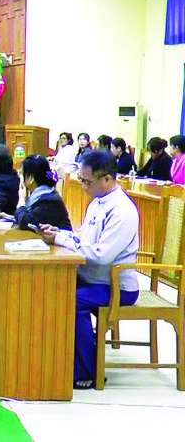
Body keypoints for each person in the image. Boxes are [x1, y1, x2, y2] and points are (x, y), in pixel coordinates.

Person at [39, 150, 139, 389]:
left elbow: (101, 255)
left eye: (87, 181)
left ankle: (89, 370)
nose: (83, 186)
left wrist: (61, 241)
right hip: (93, 279)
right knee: (51, 289)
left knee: (73, 301)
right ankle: (62, 359)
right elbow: (83, 239)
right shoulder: (97, 203)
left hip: (115, 287)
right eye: (81, 180)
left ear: (107, 179)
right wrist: (60, 234)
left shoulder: (122, 211)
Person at [0, 155, 72, 231]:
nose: (19, 176)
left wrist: (21, 200)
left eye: (21, 173)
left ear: (31, 178)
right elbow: (33, 218)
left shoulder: (49, 200)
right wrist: (10, 218)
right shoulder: (42, 194)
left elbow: (26, 222)